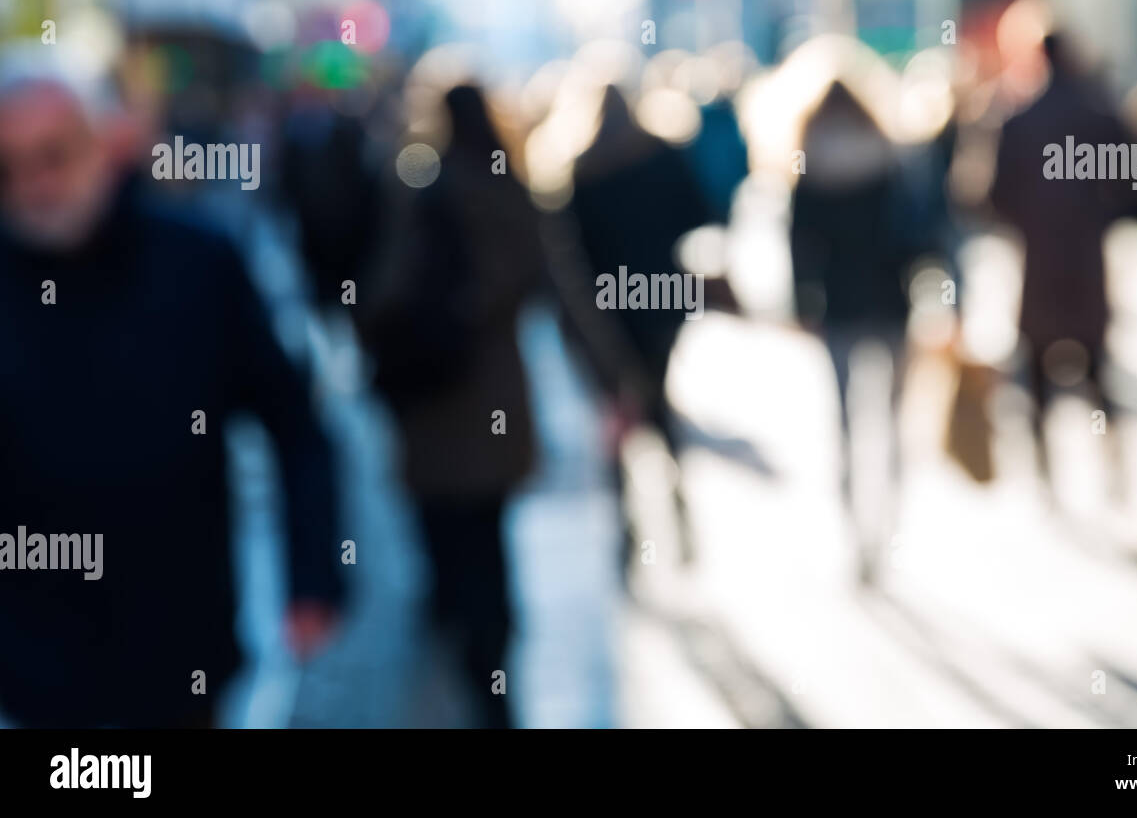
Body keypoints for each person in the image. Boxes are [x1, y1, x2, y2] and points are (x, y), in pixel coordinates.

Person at [0, 56, 344, 728]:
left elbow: (294, 421)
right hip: (33, 660)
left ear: (101, 145)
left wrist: (314, 574)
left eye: (52, 158)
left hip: (178, 641)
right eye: (9, 170)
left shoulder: (198, 263)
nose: (34, 186)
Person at [359, 82, 543, 728]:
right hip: (490, 401)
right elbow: (557, 285)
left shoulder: (419, 188)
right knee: (487, 540)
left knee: (448, 531)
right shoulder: (511, 194)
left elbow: (384, 293)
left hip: (434, 403)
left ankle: (464, 639)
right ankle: (490, 670)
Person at [790, 79, 930, 581]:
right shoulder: (887, 157)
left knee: (846, 420)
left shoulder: (809, 163)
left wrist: (803, 303)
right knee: (892, 419)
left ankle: (856, 532)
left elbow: (800, 243)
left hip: (839, 304)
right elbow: (918, 231)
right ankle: (890, 523)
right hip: (890, 299)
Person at [566, 84, 712, 566]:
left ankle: (630, 521)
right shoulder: (660, 154)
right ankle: (678, 512)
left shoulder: (583, 169)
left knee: (621, 409)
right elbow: (698, 213)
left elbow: (576, 254)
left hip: (612, 309)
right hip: (661, 302)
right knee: (655, 405)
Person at [988, 33, 1133, 501]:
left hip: (1040, 264)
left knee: (1037, 371)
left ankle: (1046, 474)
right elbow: (1134, 185)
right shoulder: (1098, 114)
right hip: (1085, 262)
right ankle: (1112, 466)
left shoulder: (1022, 120)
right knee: (1096, 369)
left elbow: (994, 197)